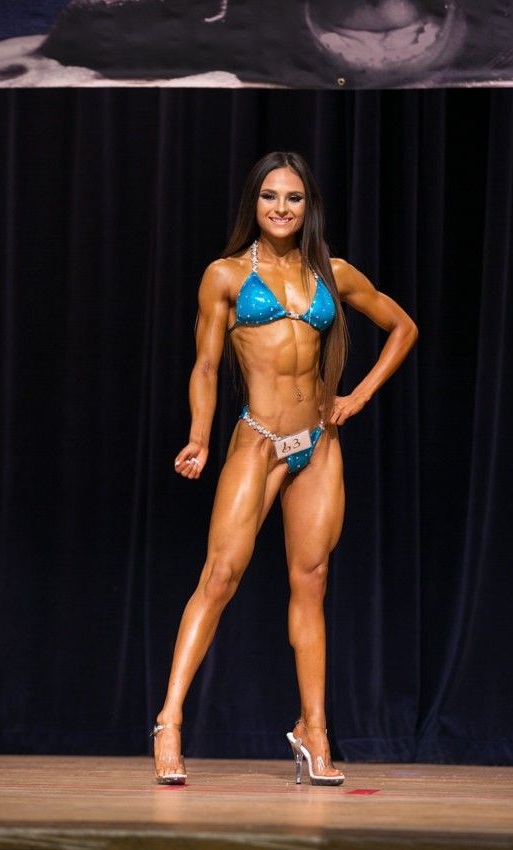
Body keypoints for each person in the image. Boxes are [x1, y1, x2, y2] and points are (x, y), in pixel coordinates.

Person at [152, 151, 418, 786]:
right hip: (261, 438)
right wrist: (198, 435)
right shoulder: (224, 276)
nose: (281, 207)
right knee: (220, 577)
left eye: (293, 198)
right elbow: (207, 367)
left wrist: (357, 396)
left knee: (313, 581)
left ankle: (314, 730)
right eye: (270, 196)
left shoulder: (333, 273)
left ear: (308, 207)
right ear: (255, 203)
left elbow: (402, 326)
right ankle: (169, 721)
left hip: (319, 445)